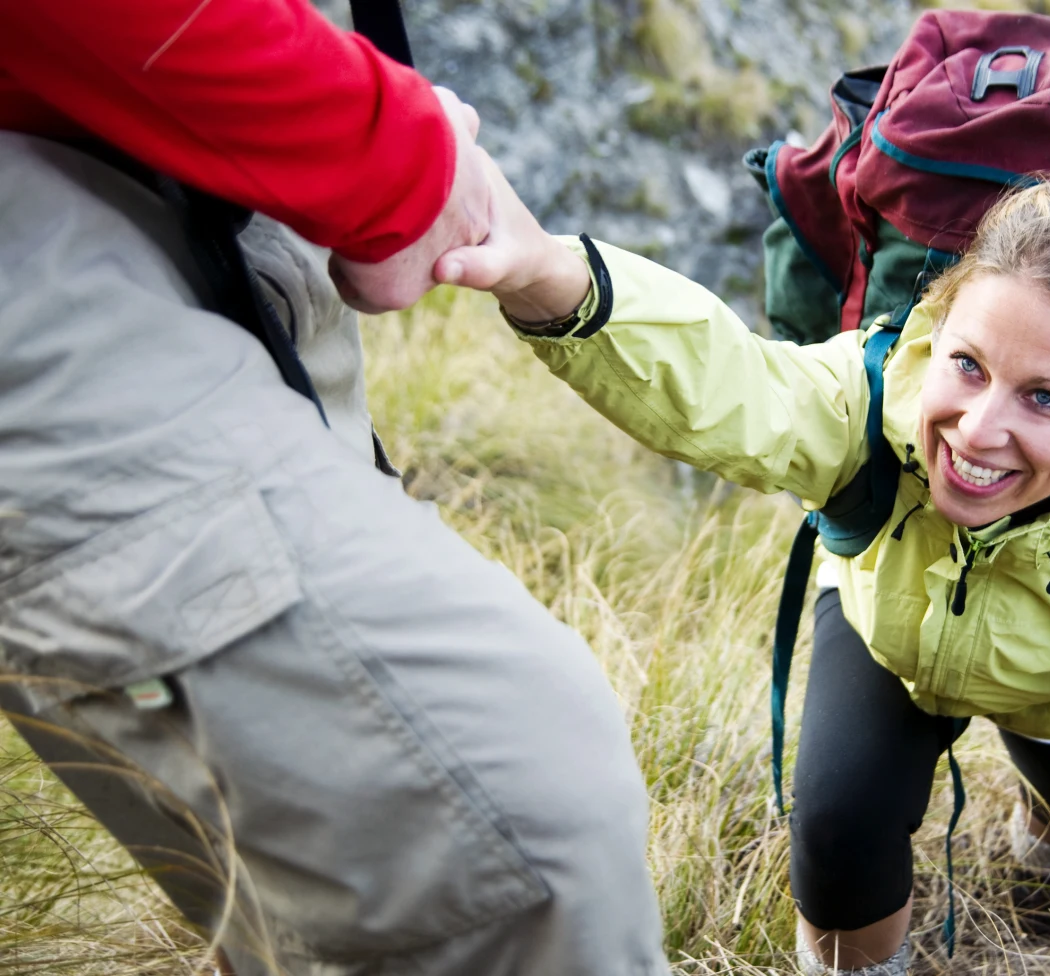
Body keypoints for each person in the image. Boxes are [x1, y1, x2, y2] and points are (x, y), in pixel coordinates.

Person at [440, 160, 1050, 976]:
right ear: (938, 324)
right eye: (967, 364)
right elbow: (729, 385)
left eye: (1045, 398)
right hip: (887, 629)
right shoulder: (871, 395)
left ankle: (1048, 850)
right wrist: (548, 276)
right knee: (836, 826)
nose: (975, 431)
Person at [0, 4, 668, 975]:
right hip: (86, 164)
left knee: (331, 884)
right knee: (524, 812)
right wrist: (395, 157)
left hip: (225, 178)